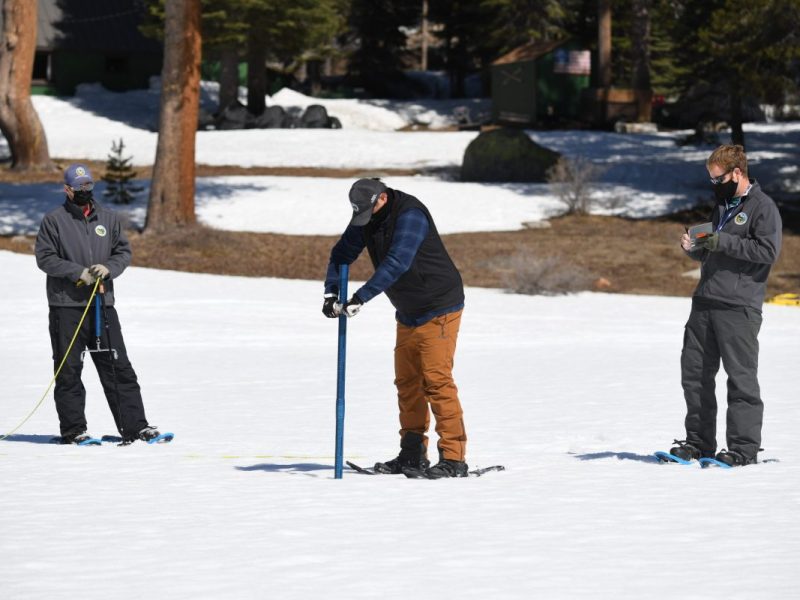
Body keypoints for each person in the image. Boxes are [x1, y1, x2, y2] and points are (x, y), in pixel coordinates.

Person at [322, 178, 468, 478]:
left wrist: (361, 297)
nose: (365, 219)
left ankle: (454, 459)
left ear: (383, 199)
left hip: (439, 306)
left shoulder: (410, 215)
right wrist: (331, 292)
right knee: (407, 383)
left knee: (436, 382)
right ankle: (412, 454)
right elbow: (342, 253)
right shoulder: (367, 215)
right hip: (408, 310)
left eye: (368, 210)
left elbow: (398, 261)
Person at [670, 145, 782, 466]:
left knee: (741, 379)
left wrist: (723, 241)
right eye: (710, 180)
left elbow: (767, 251)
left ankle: (743, 449)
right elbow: (713, 252)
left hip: (739, 306)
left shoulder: (763, 208)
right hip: (705, 301)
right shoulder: (722, 207)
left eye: (718, 179)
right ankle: (699, 442)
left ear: (737, 173)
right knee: (695, 375)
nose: (714, 185)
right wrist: (695, 247)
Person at [35, 164, 163, 445]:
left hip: (102, 305)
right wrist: (76, 272)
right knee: (69, 369)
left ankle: (135, 427)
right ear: (67, 190)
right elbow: (44, 258)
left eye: (88, 187)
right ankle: (74, 430)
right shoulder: (54, 220)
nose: (84, 192)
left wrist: (108, 268)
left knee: (118, 367)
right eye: (78, 188)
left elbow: (123, 252)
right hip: (66, 307)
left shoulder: (109, 218)